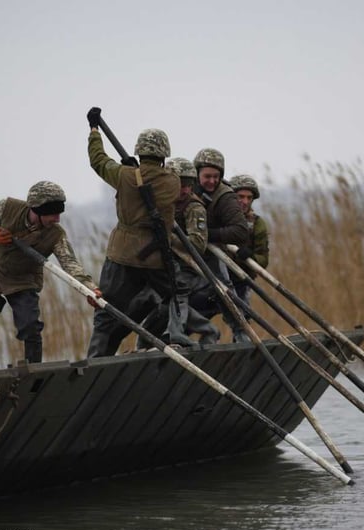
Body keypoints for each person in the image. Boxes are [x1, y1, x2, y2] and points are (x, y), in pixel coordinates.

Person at [86, 107, 194, 357]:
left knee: (106, 310)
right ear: (164, 155)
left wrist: (94, 131)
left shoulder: (124, 176)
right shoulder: (173, 181)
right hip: (156, 257)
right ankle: (176, 335)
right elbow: (156, 180)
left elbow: (98, 161)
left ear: (139, 151)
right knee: (178, 293)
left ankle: (95, 359)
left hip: (122, 255)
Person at [0, 181, 99, 371]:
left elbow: (70, 263)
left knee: (30, 327)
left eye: (60, 213)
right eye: (53, 213)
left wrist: (90, 289)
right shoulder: (7, 208)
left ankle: (33, 374)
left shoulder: (56, 235)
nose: (58, 219)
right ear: (36, 209)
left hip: (23, 281)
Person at [135, 157, 220, 349]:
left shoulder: (193, 207)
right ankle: (145, 340)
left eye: (189, 185)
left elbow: (197, 244)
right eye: (180, 184)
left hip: (184, 267)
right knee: (146, 300)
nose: (185, 190)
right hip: (158, 264)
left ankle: (198, 331)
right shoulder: (160, 202)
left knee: (172, 296)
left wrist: (168, 238)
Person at [188, 148, 251, 343]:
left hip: (212, 252)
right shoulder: (185, 188)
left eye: (216, 176)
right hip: (185, 250)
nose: (212, 181)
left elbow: (240, 232)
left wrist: (207, 236)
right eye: (207, 176)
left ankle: (241, 334)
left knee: (225, 291)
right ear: (197, 174)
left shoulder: (225, 195)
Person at [229, 174, 270, 306]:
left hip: (241, 279)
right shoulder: (218, 216)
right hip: (213, 277)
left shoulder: (257, 224)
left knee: (242, 317)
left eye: (249, 198)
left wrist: (250, 256)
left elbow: (263, 260)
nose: (245, 201)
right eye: (240, 197)